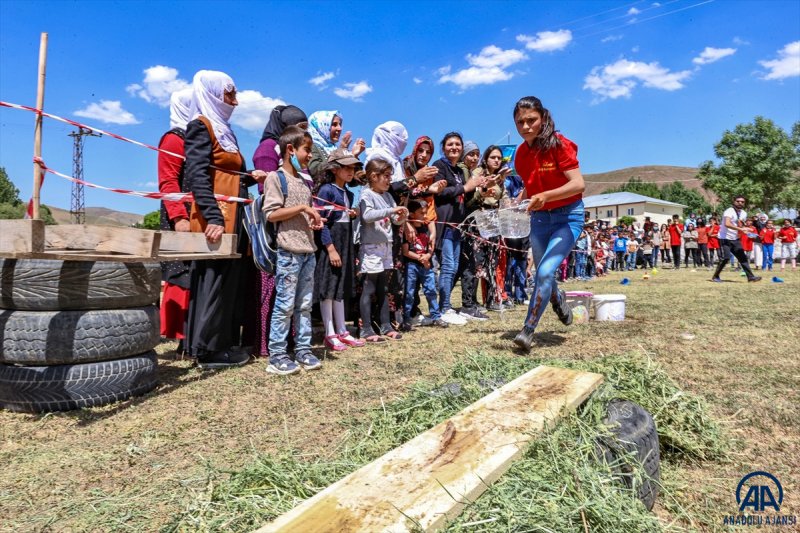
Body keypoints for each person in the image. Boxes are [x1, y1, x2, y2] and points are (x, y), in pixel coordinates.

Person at [183, 70, 268, 368]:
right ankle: (207, 350)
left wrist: (249, 175)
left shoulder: (223, 129)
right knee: (214, 280)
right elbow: (196, 174)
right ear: (212, 93)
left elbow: (225, 171)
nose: (235, 100)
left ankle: (225, 344)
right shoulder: (200, 126)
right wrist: (212, 216)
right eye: (229, 94)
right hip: (218, 217)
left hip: (234, 217)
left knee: (230, 280)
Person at [510, 96, 585, 352]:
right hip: (540, 220)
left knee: (543, 272)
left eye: (531, 120)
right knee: (545, 273)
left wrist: (546, 197)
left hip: (568, 217)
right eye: (520, 122)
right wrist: (516, 203)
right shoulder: (520, 154)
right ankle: (558, 298)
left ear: (542, 118)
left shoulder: (559, 145)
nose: (526, 126)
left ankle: (527, 331)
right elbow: (530, 188)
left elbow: (578, 184)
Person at [262, 126, 324, 375]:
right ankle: (277, 354)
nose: (310, 155)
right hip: (288, 251)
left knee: (305, 305)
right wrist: (301, 209)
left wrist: (313, 220)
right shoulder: (275, 178)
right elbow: (272, 214)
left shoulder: (304, 182)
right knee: (285, 305)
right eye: (307, 150)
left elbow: (301, 213)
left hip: (308, 250)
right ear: (291, 149)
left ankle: (303, 349)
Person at [251, 104, 308, 359]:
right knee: (274, 295)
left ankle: (294, 343)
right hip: (276, 235)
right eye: (300, 129)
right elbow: (269, 200)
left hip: (296, 233)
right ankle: (269, 346)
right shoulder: (267, 150)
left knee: (294, 297)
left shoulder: (298, 167)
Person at [313, 148, 364, 352]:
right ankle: (329, 332)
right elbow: (323, 222)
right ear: (335, 169)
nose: (350, 171)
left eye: (353, 167)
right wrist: (330, 248)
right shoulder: (327, 190)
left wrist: (350, 215)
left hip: (345, 241)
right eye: (346, 167)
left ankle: (342, 329)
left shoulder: (348, 194)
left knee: (340, 288)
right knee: (328, 287)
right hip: (331, 243)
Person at [432, 132, 486, 324]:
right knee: (447, 267)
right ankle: (444, 308)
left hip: (457, 226)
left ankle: (445, 305)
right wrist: (466, 187)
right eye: (450, 144)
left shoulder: (455, 171)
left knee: (453, 267)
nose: (454, 147)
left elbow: (463, 195)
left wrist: (476, 188)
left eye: (457, 144)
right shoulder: (440, 166)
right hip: (445, 223)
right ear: (443, 147)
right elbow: (440, 193)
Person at [158, 87, 194, 355]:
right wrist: (179, 217)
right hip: (180, 217)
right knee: (180, 273)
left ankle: (192, 335)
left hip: (198, 215)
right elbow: (168, 181)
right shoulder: (174, 139)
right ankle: (180, 337)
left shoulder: (196, 137)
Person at [358, 158, 408, 342]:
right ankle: (366, 328)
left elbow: (395, 221)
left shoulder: (387, 196)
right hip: (371, 247)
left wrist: (402, 216)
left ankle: (386, 325)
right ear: (373, 176)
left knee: (383, 287)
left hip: (386, 246)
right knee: (369, 287)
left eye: (390, 176)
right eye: (386, 176)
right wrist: (390, 211)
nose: (389, 180)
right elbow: (367, 215)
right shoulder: (366, 195)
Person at [469, 145, 512, 309]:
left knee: (493, 260)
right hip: (479, 218)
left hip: (495, 220)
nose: (496, 160)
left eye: (499, 158)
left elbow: (504, 200)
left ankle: (493, 298)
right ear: (486, 159)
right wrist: (487, 184)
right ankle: (472, 301)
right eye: (493, 157)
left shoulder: (501, 179)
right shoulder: (478, 173)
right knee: (478, 261)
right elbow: (474, 194)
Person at [401, 199, 448, 330]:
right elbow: (405, 251)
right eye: (421, 213)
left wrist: (427, 256)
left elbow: (430, 247)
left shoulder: (427, 228)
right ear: (411, 214)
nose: (425, 216)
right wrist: (420, 258)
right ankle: (407, 318)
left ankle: (436, 316)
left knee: (431, 290)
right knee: (409, 292)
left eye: (426, 213)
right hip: (412, 265)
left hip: (426, 265)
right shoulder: (408, 231)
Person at [711, 195, 761, 283]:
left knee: (743, 258)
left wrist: (746, 231)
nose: (740, 203)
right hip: (724, 238)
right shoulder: (729, 211)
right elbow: (727, 223)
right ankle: (715, 276)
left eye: (742, 202)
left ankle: (750, 277)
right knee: (726, 258)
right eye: (738, 201)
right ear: (734, 202)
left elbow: (740, 225)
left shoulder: (744, 213)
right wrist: (741, 229)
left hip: (735, 239)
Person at [307, 110, 365, 177]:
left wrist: (353, 156)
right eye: (334, 124)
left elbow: (353, 182)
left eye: (340, 124)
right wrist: (341, 152)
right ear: (320, 126)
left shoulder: (333, 148)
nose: (339, 128)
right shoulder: (311, 146)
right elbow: (315, 170)